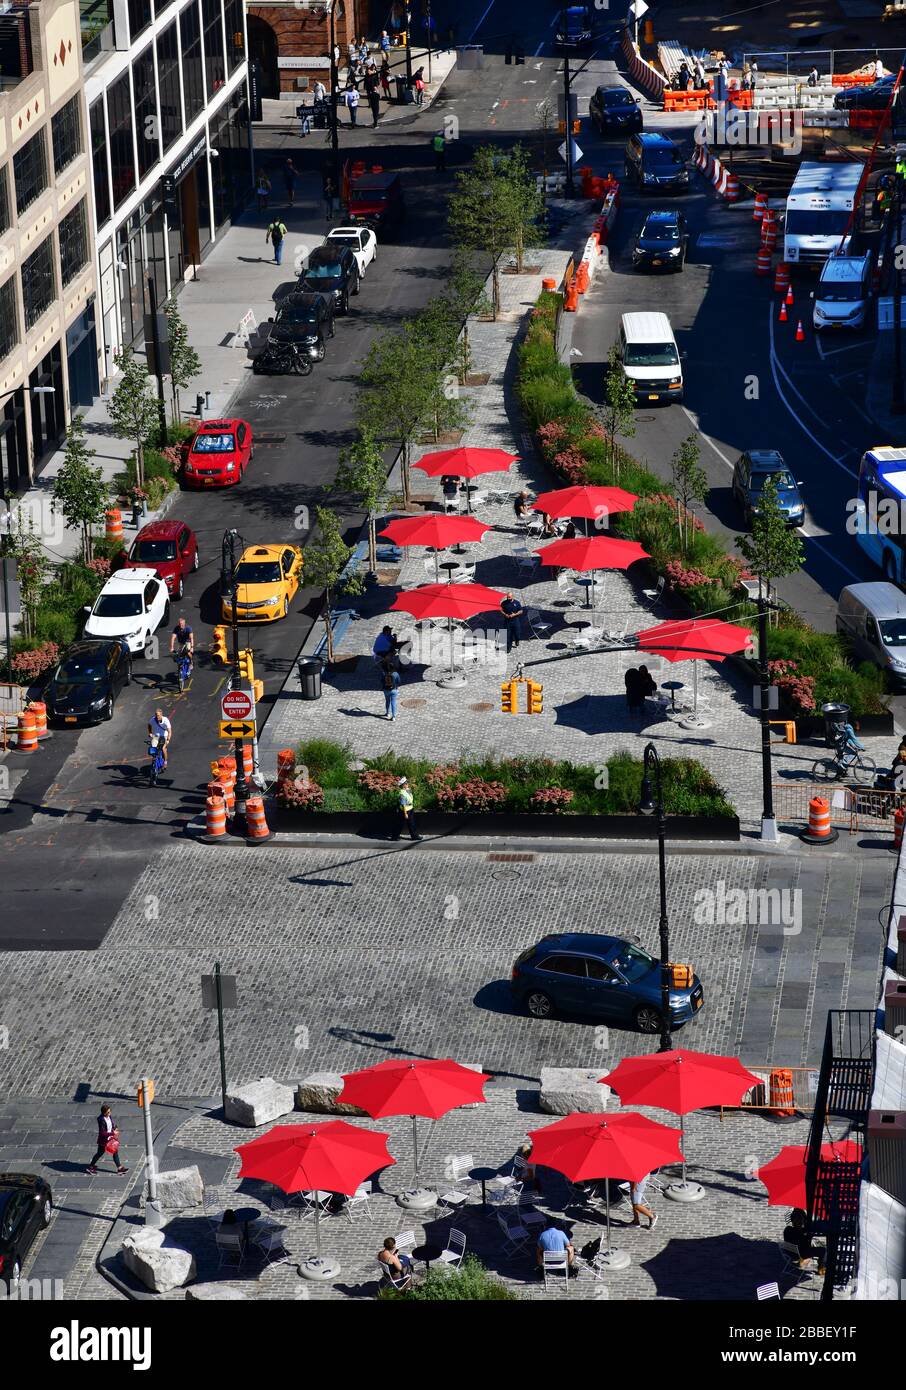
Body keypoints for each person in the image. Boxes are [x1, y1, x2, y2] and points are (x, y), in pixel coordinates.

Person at [87, 1104, 128, 1175]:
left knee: (115, 1151)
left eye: (110, 1111)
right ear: (104, 1113)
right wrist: (113, 1133)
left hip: (110, 1138)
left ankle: (120, 1168)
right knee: (99, 1153)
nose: (110, 1113)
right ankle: (90, 1167)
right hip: (103, 1140)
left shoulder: (109, 1116)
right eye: (108, 1112)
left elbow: (111, 1124)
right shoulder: (101, 1120)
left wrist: (115, 1128)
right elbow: (103, 1133)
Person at [390, 775, 422, 842]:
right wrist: (405, 813)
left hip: (410, 809)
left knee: (411, 823)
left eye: (407, 783)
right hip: (405, 810)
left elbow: (409, 795)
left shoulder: (407, 790)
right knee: (400, 824)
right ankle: (394, 837)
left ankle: (414, 836)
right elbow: (403, 804)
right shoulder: (402, 793)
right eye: (406, 783)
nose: (408, 784)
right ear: (403, 785)